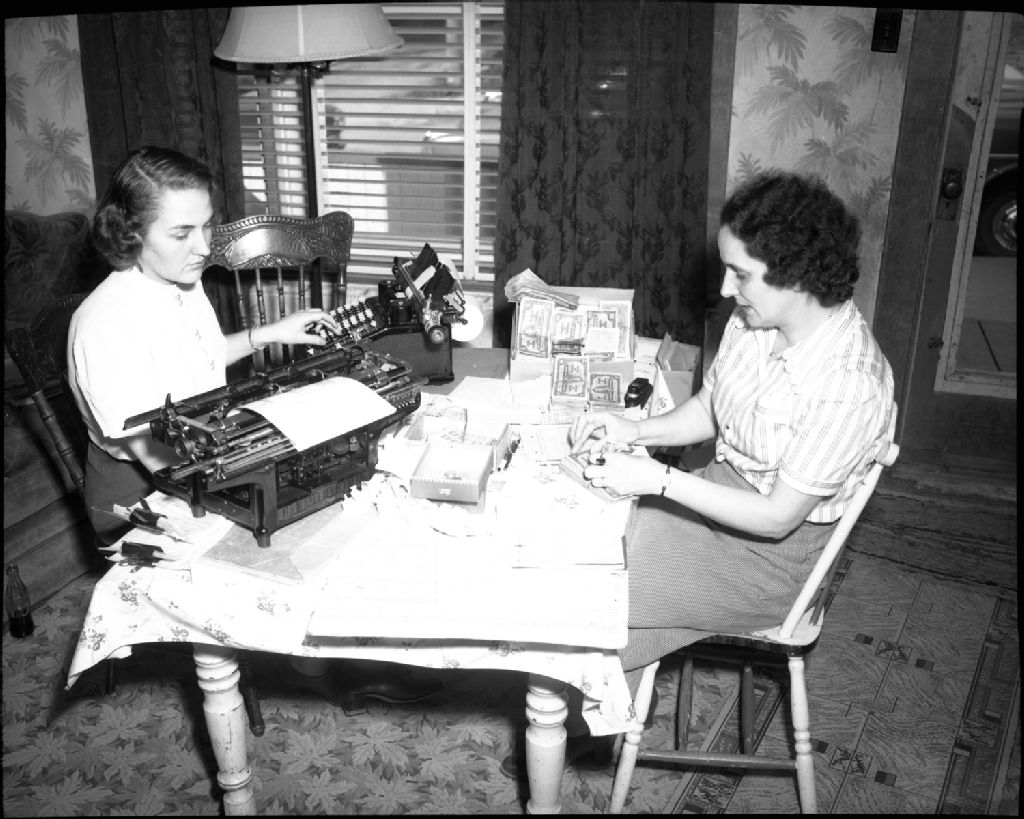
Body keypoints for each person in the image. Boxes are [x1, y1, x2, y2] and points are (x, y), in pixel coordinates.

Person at [502, 171, 895, 779]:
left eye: (741, 273)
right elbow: (711, 408)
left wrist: (657, 481)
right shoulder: (754, 322)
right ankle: (599, 701)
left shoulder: (849, 383)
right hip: (716, 494)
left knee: (579, 588)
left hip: (773, 560)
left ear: (796, 275)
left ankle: (585, 704)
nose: (724, 288)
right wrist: (632, 429)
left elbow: (777, 519)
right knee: (575, 529)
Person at [68, 145, 440, 712]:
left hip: (201, 443)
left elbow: (202, 360)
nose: (203, 247)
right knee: (314, 512)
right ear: (129, 233)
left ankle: (335, 646)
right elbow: (159, 455)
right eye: (182, 232)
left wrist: (270, 333)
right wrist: (276, 457)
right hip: (139, 491)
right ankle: (320, 659)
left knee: (353, 484)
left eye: (207, 226)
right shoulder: (103, 325)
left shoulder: (179, 281)